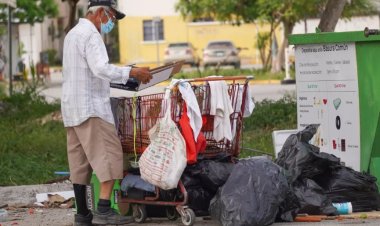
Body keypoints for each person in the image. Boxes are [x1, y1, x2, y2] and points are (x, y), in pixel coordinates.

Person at [61, 0, 152, 225]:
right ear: (100, 12)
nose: (111, 22)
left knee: (79, 163)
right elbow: (100, 68)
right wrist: (132, 72)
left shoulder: (72, 34)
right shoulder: (92, 35)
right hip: (92, 109)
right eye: (111, 16)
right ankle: (103, 209)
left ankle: (82, 214)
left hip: (72, 109)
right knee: (110, 156)